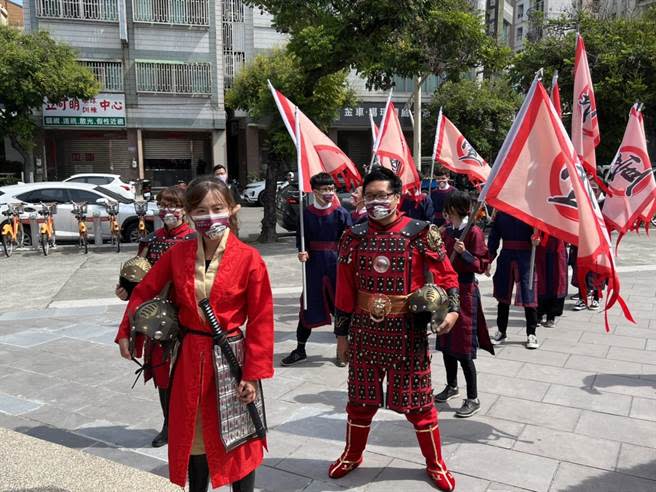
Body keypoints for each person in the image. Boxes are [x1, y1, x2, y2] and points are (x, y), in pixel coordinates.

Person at [115, 177, 274, 491]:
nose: (210, 216)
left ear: (232, 209)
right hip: (189, 356)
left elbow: (261, 320)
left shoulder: (249, 259)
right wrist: (127, 331)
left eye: (217, 208)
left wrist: (253, 374)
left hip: (231, 359)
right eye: (200, 210)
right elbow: (145, 291)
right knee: (194, 436)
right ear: (189, 213)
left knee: (238, 436)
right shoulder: (178, 254)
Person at [329, 166, 460, 491]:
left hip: (408, 331)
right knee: (359, 400)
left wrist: (452, 310)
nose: (376, 202)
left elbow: (446, 276)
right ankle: (352, 454)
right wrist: (341, 336)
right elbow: (344, 289)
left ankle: (435, 463)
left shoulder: (421, 232)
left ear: (397, 197)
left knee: (420, 405)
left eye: (382, 196)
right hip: (364, 330)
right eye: (369, 196)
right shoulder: (353, 236)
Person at [115, 186, 195, 448]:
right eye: (163, 205)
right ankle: (169, 424)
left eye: (173, 205)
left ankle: (191, 424)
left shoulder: (195, 240)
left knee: (190, 375)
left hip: (188, 316)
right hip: (156, 317)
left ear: (185, 209)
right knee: (163, 375)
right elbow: (137, 278)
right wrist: (125, 288)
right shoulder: (151, 240)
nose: (168, 211)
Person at [281, 172, 352, 367]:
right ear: (315, 191)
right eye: (325, 189)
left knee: (340, 308)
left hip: (336, 265)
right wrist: (302, 252)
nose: (329, 193)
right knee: (308, 305)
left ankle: (342, 350)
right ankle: (300, 348)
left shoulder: (341, 213)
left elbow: (348, 241)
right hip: (313, 267)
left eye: (331, 189)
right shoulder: (306, 214)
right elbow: (301, 240)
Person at [434, 191, 493, 418]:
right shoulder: (447, 231)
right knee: (446, 341)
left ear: (456, 209)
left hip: (466, 292)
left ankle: (473, 397)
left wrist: (465, 254)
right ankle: (451, 385)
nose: (445, 214)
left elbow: (481, 265)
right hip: (447, 291)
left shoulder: (474, 232)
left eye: (448, 209)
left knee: (464, 347)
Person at [487, 211, 541, 349]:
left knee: (529, 295)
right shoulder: (501, 213)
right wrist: (488, 259)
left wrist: (538, 239)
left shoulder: (532, 211)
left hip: (526, 257)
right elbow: (493, 237)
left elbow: (542, 233)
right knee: (503, 296)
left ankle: (531, 333)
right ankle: (501, 331)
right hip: (506, 256)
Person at [535, 234, 568, 325]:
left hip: (557, 250)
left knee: (555, 283)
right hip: (540, 249)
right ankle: (538, 314)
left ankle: (551, 316)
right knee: (540, 283)